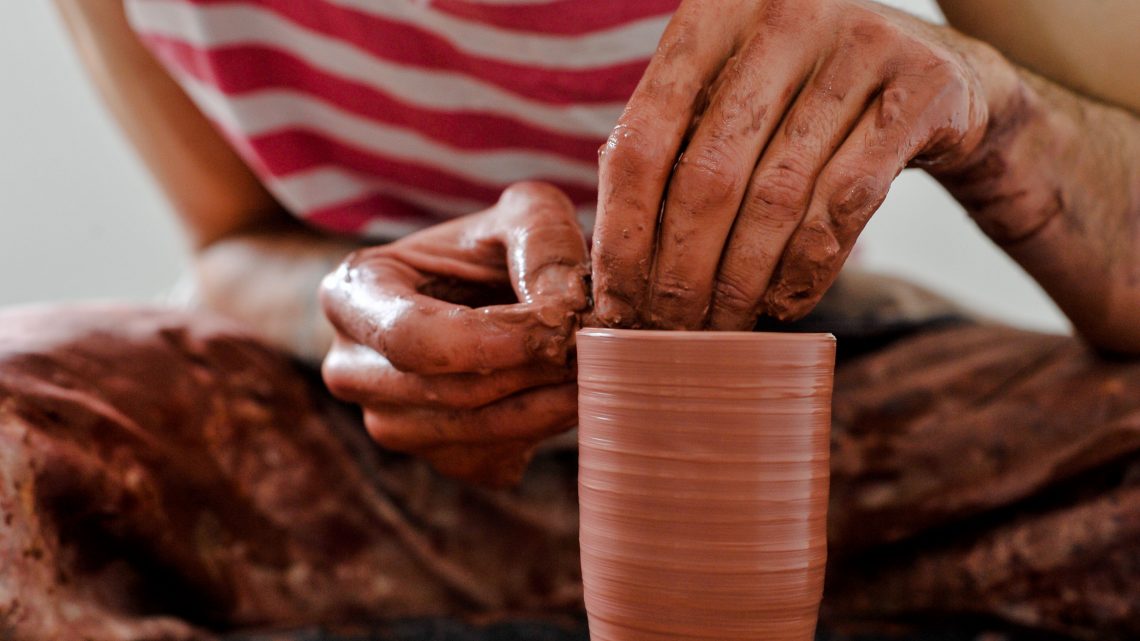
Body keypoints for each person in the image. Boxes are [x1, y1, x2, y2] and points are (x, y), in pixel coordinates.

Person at [1, 0, 1137, 639]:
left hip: (811, 428)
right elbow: (227, 240)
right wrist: (362, 308)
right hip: (349, 429)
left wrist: (1001, 114)